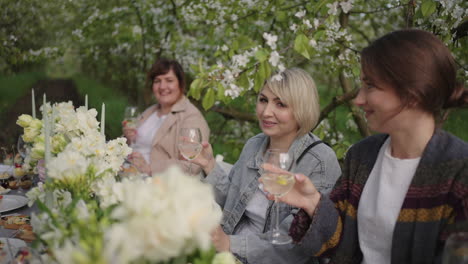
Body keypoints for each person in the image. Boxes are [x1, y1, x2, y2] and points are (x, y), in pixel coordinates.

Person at [269, 29, 468, 264]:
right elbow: (340, 243)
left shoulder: (459, 174)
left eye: (370, 86)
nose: (358, 99)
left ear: (412, 93)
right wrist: (312, 204)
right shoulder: (362, 156)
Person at [189, 68, 342, 263]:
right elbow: (232, 202)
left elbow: (296, 246)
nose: (266, 112)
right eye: (263, 100)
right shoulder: (254, 145)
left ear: (302, 109)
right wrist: (209, 165)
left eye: (280, 104)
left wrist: (230, 244)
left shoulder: (320, 161)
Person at [123, 58, 210, 175]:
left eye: (169, 80)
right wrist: (128, 138)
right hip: (128, 171)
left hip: (158, 184)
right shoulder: (150, 111)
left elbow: (193, 164)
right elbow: (134, 144)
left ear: (180, 84)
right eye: (157, 81)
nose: (162, 86)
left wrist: (149, 168)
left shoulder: (192, 117)